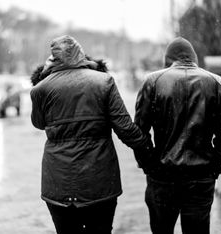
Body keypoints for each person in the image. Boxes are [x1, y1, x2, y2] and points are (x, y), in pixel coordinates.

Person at [30, 35, 152, 234]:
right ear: (81, 54)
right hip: (99, 180)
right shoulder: (103, 82)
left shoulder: (41, 89)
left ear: (54, 58)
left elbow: (38, 123)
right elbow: (125, 128)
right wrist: (147, 151)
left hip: (58, 182)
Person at [134, 37, 221, 234]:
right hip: (200, 178)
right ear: (194, 58)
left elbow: (139, 133)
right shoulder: (216, 83)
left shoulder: (152, 82)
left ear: (168, 59)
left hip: (163, 177)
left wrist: (150, 165)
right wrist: (211, 167)